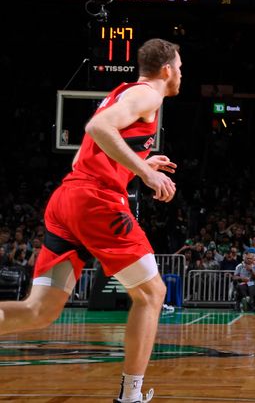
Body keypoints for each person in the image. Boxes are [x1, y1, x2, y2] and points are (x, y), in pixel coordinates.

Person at [0, 39, 182, 403]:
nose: (181, 74)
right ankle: (130, 396)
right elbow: (98, 128)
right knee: (152, 294)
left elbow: (89, 155)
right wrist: (146, 173)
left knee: (40, 310)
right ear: (166, 70)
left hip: (67, 200)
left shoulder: (124, 93)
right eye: (180, 67)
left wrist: (141, 163)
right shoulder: (149, 95)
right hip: (95, 203)